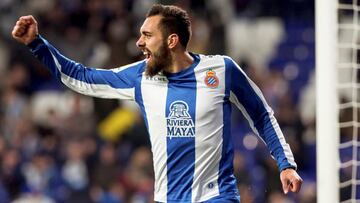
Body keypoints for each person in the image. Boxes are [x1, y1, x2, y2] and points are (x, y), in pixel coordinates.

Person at [11, 4, 302, 203]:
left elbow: (261, 115)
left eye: (147, 35)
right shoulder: (140, 77)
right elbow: (82, 77)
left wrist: (285, 163)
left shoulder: (221, 70)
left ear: (172, 40)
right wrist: (37, 44)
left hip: (217, 196)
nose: (139, 42)